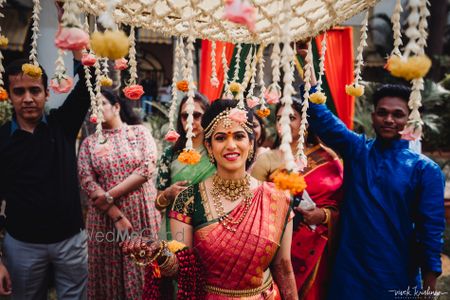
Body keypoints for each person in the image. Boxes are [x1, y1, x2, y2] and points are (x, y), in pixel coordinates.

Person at [122, 99, 298, 299]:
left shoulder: (277, 197)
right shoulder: (187, 200)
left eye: (239, 136)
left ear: (251, 143)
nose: (231, 145)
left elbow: (283, 267)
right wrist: (159, 254)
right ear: (209, 146)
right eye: (221, 138)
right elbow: (181, 269)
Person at [306, 84, 445, 299]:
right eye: (382, 113)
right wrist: (311, 75)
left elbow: (431, 232)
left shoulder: (425, 170)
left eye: (397, 114)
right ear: (373, 116)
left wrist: (428, 286)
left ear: (410, 119)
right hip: (349, 273)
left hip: (396, 273)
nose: (389, 119)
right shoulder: (358, 151)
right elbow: (323, 120)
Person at [0, 52, 89, 299]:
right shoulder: (2, 139)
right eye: (19, 91)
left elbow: (89, 77)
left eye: (35, 90)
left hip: (70, 240)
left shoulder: (64, 124)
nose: (28, 98)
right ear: (9, 94)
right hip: (22, 245)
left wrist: (70, 33)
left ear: (46, 93)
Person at [251, 97, 343, 299]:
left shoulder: (328, 158)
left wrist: (323, 215)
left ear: (305, 122)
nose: (283, 122)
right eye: (279, 118)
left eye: (291, 117)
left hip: (316, 250)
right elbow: (251, 204)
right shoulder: (267, 159)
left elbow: (343, 205)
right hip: (276, 245)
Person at [77, 88, 161, 299]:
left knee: (143, 268)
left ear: (116, 107)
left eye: (102, 103)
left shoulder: (138, 133)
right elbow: (87, 180)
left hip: (140, 213)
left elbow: (146, 169)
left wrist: (108, 196)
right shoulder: (90, 143)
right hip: (105, 219)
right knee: (107, 274)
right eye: (93, 106)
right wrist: (115, 214)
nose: (96, 109)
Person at [155, 93, 215, 239]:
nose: (190, 121)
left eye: (196, 115)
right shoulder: (170, 154)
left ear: (207, 117)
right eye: (184, 116)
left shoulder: (216, 150)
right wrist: (168, 194)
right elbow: (158, 204)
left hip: (211, 227)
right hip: (176, 229)